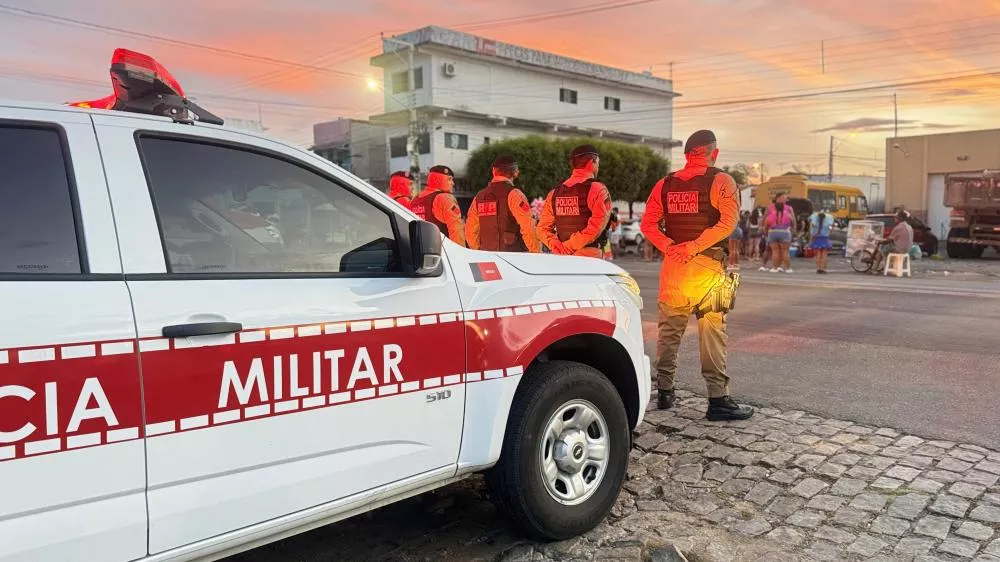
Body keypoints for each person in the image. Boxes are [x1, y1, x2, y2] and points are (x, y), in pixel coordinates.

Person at [640, 129, 754, 421]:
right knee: (713, 333)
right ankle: (718, 400)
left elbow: (648, 224)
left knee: (669, 332)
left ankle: (665, 392)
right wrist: (694, 246)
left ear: (687, 154)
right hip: (708, 267)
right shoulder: (721, 180)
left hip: (674, 268)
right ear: (713, 153)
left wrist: (670, 246)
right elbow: (728, 222)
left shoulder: (665, 184)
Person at [537, 144, 613, 258]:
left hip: (561, 257)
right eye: (598, 163)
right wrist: (569, 246)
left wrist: (558, 247)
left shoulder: (554, 193)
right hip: (589, 257)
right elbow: (596, 227)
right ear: (592, 162)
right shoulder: (598, 189)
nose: (598, 167)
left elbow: (541, 229)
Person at [465, 154, 540, 253]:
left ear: (493, 172)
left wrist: (479, 251)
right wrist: (536, 252)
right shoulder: (514, 194)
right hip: (513, 258)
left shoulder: (479, 197)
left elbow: (470, 230)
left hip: (487, 258)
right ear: (516, 172)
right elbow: (528, 227)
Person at [410, 165, 466, 247]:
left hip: (420, 251)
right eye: (449, 179)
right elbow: (456, 230)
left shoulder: (415, 200)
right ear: (439, 179)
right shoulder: (445, 198)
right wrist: (461, 254)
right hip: (443, 253)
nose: (453, 183)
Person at [763, 194, 796, 273]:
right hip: (784, 232)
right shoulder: (787, 212)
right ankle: (788, 268)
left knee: (775, 251)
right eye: (783, 198)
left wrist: (766, 233)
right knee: (785, 251)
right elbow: (793, 221)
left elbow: (765, 223)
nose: (785, 200)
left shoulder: (770, 214)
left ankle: (775, 267)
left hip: (772, 232)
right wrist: (793, 230)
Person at [809, 207, 835, 274]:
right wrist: (829, 234)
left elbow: (812, 233)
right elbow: (831, 229)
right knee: (824, 255)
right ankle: (823, 269)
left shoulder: (815, 223)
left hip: (817, 239)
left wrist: (810, 241)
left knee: (818, 255)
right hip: (825, 239)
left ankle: (818, 269)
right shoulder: (828, 222)